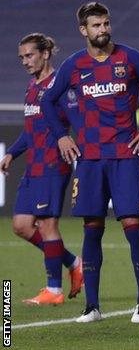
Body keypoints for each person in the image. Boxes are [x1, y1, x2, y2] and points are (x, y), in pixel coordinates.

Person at [41, 2, 139, 323]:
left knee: (132, 227)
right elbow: (47, 99)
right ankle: (93, 306)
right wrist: (62, 135)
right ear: (83, 30)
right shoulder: (74, 65)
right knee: (91, 230)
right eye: (96, 26)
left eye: (105, 24)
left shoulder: (129, 57)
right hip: (89, 160)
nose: (103, 30)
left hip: (123, 156)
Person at [0, 33, 83, 305]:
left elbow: (77, 121)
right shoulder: (32, 87)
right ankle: (72, 262)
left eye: (30, 55)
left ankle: (54, 291)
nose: (25, 61)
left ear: (45, 53)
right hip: (33, 165)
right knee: (21, 226)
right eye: (22, 57)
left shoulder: (60, 86)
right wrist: (12, 153)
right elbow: (30, 130)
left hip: (52, 164)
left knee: (48, 225)